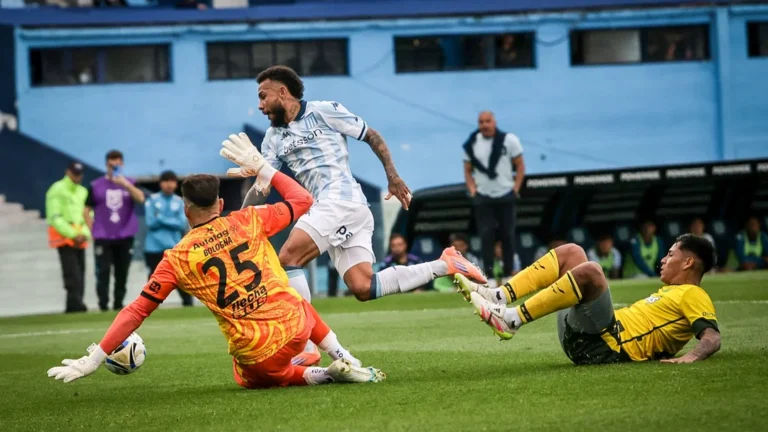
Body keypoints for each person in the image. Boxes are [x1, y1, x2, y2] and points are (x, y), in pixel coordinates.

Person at [46, 152, 385, 388]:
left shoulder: (177, 258)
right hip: (298, 328)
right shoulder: (249, 219)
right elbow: (303, 200)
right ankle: (343, 356)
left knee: (247, 377)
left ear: (185, 208)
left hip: (258, 352)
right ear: (220, 205)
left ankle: (324, 375)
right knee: (294, 299)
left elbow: (137, 310)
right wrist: (266, 170)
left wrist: (94, 359)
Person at [229, 66, 486, 364]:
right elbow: (262, 187)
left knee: (288, 258)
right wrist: (238, 219)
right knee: (363, 287)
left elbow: (371, 135)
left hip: (342, 200)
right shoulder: (273, 138)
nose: (260, 105)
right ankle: (445, 264)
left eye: (263, 96)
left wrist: (392, 175)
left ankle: (306, 347)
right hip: (334, 210)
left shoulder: (323, 111)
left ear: (282, 92)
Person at [456, 235, 721, 364]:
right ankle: (497, 295)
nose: (664, 259)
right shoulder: (672, 292)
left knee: (592, 271)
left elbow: (712, 337)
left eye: (671, 255)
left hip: (607, 348)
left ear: (688, 262)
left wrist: (691, 357)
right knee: (573, 252)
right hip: (590, 336)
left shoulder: (694, 294)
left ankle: (512, 320)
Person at [463, 111, 525, 287]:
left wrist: (516, 188)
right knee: (486, 237)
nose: (485, 125)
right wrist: (473, 190)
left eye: (488, 121)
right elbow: (467, 169)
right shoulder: (472, 143)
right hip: (484, 197)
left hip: (506, 194)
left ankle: (507, 276)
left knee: (508, 236)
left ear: (494, 122)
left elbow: (520, 165)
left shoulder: (509, 140)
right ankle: (488, 277)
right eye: (481, 122)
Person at [84, 150, 145, 312]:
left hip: (125, 235)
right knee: (102, 272)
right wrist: (93, 230)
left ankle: (118, 304)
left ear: (122, 164)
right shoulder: (96, 185)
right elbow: (86, 209)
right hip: (103, 236)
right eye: (112, 163)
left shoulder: (130, 182)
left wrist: (125, 184)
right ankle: (103, 304)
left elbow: (141, 198)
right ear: (107, 164)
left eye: (117, 162)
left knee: (122, 272)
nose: (115, 165)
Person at [46, 162, 91, 313]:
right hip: (64, 238)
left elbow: (88, 214)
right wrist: (73, 234)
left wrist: (84, 233)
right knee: (72, 274)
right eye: (74, 173)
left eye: (79, 174)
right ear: (68, 172)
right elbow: (54, 216)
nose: (77, 177)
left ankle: (76, 303)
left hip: (80, 238)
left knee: (80, 273)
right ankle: (75, 303)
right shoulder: (57, 189)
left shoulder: (83, 191)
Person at [144, 170, 192, 307]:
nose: (169, 184)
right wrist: (171, 220)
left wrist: (160, 218)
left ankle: (188, 304)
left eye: (172, 181)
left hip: (173, 246)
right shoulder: (152, 200)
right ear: (160, 183)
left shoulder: (180, 201)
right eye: (166, 181)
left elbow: (181, 224)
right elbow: (150, 223)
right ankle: (149, 305)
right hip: (153, 247)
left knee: (181, 277)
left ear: (176, 184)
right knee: (154, 278)